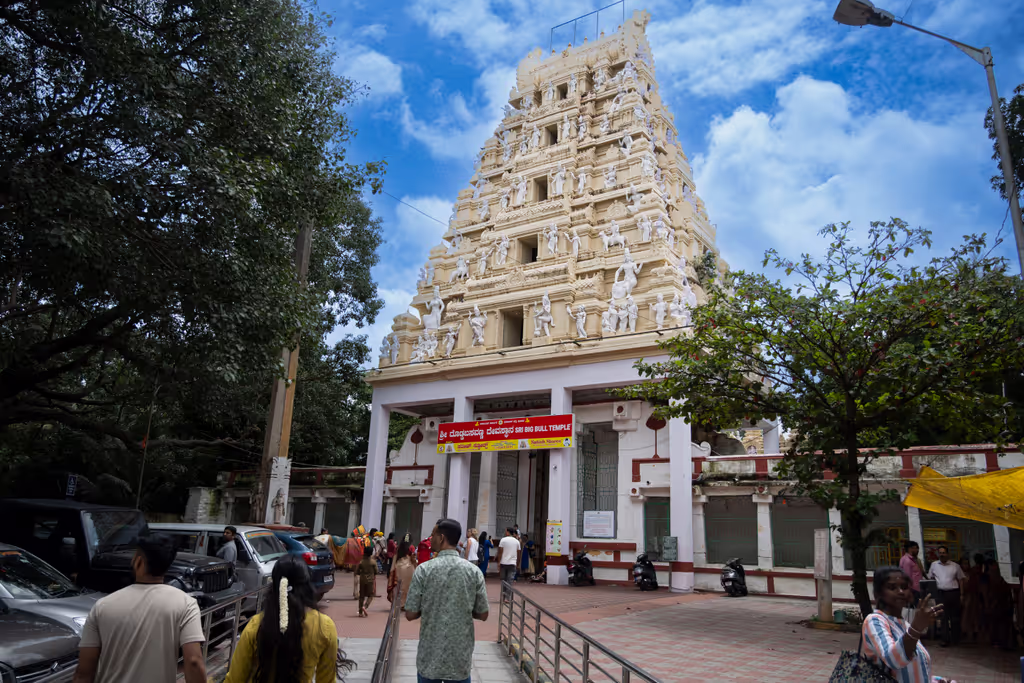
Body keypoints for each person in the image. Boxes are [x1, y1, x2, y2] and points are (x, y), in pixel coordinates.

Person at [73, 533, 207, 683]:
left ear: (138, 562)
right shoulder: (186, 604)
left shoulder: (102, 606)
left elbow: (83, 673)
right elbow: (194, 661)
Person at [224, 553, 350, 683]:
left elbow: (234, 679)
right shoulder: (324, 626)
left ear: (274, 586)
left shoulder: (256, 625)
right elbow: (327, 680)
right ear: (307, 586)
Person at [405, 519, 489, 683]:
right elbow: (483, 613)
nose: (431, 539)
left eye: (433, 535)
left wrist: (431, 604)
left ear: (441, 538)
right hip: (459, 660)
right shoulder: (473, 572)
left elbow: (410, 613)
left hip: (430, 660)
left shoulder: (424, 570)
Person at [861, 566, 953, 683]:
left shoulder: (905, 624)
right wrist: (916, 628)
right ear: (878, 593)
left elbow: (912, 671)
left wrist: (936, 680)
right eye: (892, 587)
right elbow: (894, 660)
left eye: (904, 587)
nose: (900, 592)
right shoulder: (874, 621)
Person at [926, 545, 965, 647]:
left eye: (944, 553)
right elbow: (930, 578)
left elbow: (961, 580)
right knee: (943, 617)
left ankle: (956, 639)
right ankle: (945, 639)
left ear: (947, 554)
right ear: (938, 554)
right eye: (940, 553)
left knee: (954, 618)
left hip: (953, 593)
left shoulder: (955, 566)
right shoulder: (934, 565)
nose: (942, 555)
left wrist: (961, 594)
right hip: (940, 594)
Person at [981, 559, 1015, 649]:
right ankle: (995, 641)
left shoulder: (999, 577)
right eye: (994, 565)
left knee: (1001, 624)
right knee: (994, 624)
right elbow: (985, 592)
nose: (996, 567)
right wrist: (988, 604)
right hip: (993, 604)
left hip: (1001, 604)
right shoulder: (986, 577)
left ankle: (1002, 641)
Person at [959, 555, 983, 644]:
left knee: (974, 615)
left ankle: (974, 632)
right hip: (964, 596)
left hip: (973, 596)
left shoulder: (972, 573)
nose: (966, 565)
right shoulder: (959, 574)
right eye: (964, 563)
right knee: (965, 615)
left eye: (967, 563)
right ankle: (965, 632)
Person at [388, 540, 416, 610]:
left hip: (399, 568)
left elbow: (394, 562)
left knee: (399, 587)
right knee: (407, 587)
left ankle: (397, 603)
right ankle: (405, 604)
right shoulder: (411, 548)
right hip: (409, 569)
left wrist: (391, 572)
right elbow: (414, 560)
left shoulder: (398, 550)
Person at [356, 546, 376, 617]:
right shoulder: (373, 562)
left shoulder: (361, 562)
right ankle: (365, 606)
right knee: (371, 595)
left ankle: (360, 612)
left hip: (362, 579)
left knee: (361, 596)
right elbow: (376, 571)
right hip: (370, 580)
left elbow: (357, 571)